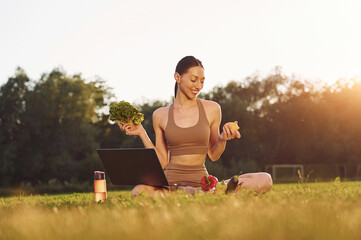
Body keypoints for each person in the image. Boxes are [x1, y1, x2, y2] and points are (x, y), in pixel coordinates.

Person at [119, 56, 272, 197]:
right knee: (138, 191)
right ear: (177, 77)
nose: (198, 86)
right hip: (171, 183)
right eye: (193, 80)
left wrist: (222, 139)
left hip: (203, 183)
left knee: (265, 179)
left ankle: (198, 194)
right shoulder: (161, 114)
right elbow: (162, 161)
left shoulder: (212, 109)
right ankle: (196, 195)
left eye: (202, 81)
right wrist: (142, 133)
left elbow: (213, 155)